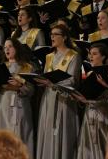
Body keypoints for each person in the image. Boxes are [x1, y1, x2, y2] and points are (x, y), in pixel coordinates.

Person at [36, 24, 82, 159]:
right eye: (51, 34)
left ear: (65, 37)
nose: (52, 37)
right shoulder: (49, 56)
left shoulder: (74, 56)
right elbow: (45, 75)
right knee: (48, 130)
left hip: (64, 99)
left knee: (62, 132)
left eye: (56, 34)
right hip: (48, 98)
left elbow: (72, 80)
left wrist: (53, 84)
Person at [0, 38, 35, 156]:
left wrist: (20, 85)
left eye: (10, 46)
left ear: (16, 48)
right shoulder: (1, 67)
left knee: (19, 138)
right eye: (5, 47)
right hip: (3, 105)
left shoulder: (27, 67)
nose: (7, 49)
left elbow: (31, 90)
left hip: (20, 107)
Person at [75, 43, 108, 159]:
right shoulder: (91, 73)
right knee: (88, 146)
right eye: (90, 54)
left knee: (100, 146)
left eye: (94, 54)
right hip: (89, 114)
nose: (91, 57)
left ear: (103, 57)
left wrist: (86, 101)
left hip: (102, 116)